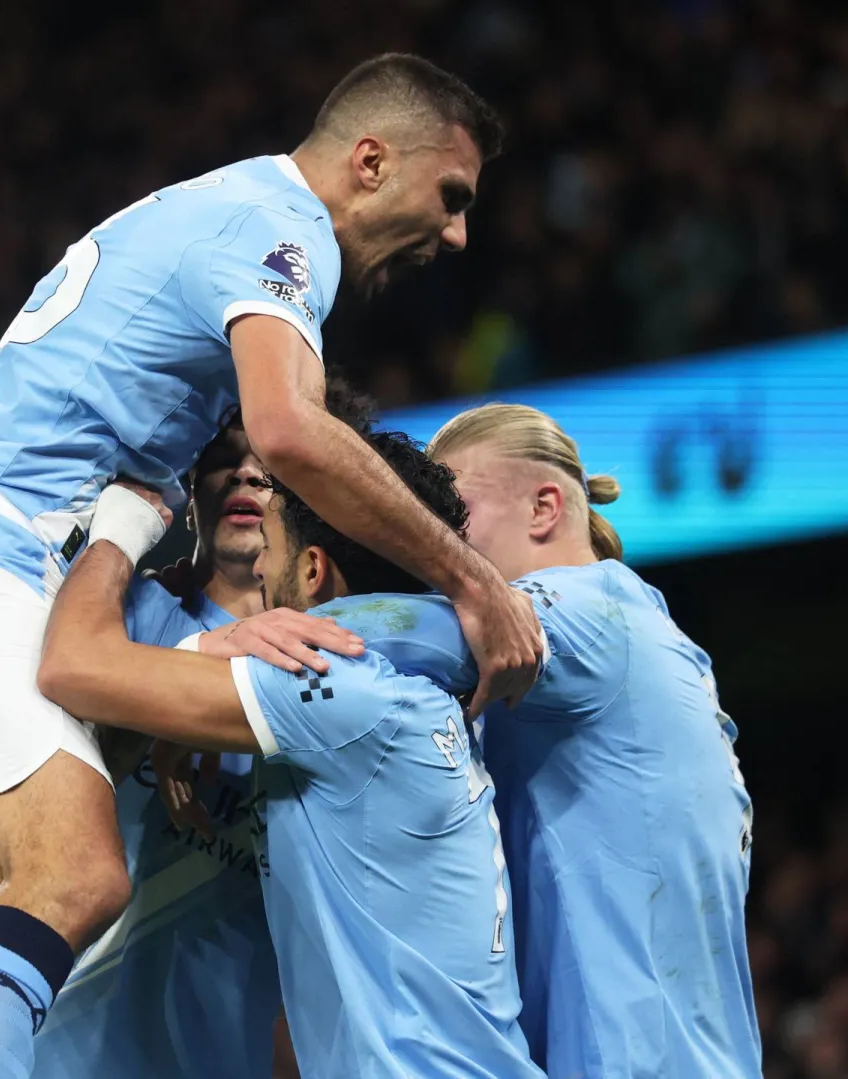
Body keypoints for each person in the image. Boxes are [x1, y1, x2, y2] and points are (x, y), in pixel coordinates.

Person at [0, 53, 543, 1079]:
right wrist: (475, 580)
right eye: (454, 196)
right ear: (372, 162)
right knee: (78, 874)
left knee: (24, 989)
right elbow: (290, 430)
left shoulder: (212, 209)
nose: (458, 234)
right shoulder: (283, 229)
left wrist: (181, 689)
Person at [0, 385, 377, 1079]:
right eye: (224, 456)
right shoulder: (113, 619)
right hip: (34, 1054)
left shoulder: (342, 662)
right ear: (190, 485)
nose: (246, 473)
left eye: (269, 460)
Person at [36, 430, 543, 1079]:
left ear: (312, 571)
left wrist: (117, 532)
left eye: (270, 552)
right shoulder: (420, 685)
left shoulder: (335, 686)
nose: (260, 576)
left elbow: (70, 666)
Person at [424, 404, 761, 1078]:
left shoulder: (584, 611)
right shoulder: (650, 631)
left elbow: (396, 639)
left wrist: (230, 638)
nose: (430, 547)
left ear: (543, 508)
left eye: (451, 517)